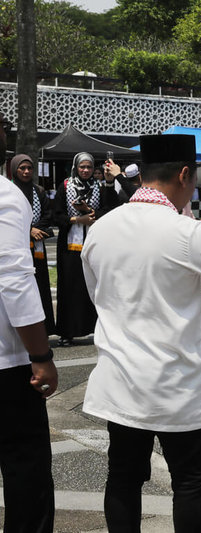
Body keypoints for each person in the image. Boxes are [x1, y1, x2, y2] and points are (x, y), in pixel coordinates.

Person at [81, 134, 201, 532]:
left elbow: (99, 295)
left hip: (121, 379)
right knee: (192, 482)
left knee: (124, 477)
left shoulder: (102, 228)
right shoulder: (187, 232)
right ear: (183, 174)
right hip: (176, 382)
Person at [0, 138, 59, 533]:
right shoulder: (6, 196)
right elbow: (14, 280)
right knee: (26, 471)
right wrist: (41, 354)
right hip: (7, 361)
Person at [53, 152, 120, 346]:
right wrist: (76, 219)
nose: (85, 170)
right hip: (70, 246)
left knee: (95, 287)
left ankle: (97, 329)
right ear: (75, 167)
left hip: (94, 243)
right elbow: (57, 215)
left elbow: (111, 210)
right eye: (82, 167)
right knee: (70, 286)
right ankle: (67, 332)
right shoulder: (65, 186)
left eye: (89, 167)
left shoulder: (100, 186)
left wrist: (91, 213)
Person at [10, 153, 56, 334]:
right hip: (16, 247)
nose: (27, 171)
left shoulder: (39, 190)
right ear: (14, 169)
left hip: (37, 246)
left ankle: (43, 330)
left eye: (29, 168)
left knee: (40, 285)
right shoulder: (9, 190)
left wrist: (36, 230)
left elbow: (48, 215)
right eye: (22, 168)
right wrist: (28, 230)